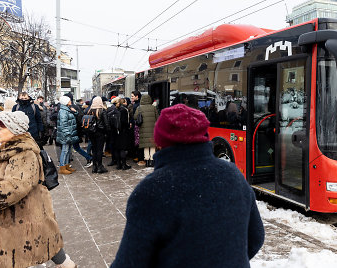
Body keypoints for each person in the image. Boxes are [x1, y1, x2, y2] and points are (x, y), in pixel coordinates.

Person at [111, 104, 264, 267]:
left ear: (160, 141)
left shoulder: (151, 191)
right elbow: (256, 237)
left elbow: (129, 263)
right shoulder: (234, 175)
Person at [0, 111, 76, 268]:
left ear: (14, 129)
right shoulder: (3, 147)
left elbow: (14, 187)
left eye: (0, 128)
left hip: (19, 218)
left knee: (27, 253)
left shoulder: (23, 153)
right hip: (13, 217)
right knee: (44, 244)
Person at [56, 95, 79, 175]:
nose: (71, 102)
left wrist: (74, 111)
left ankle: (66, 166)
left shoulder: (67, 109)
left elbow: (75, 116)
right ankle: (62, 167)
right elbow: (63, 124)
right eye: (69, 101)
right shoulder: (63, 111)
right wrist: (67, 134)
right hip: (66, 134)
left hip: (68, 133)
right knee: (65, 150)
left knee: (68, 150)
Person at [134, 94, 158, 167]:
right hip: (153, 129)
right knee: (152, 146)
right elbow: (157, 118)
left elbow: (135, 117)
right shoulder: (153, 108)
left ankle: (147, 161)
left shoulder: (139, 108)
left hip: (143, 129)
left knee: (146, 146)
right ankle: (152, 161)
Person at [88, 96, 110, 173]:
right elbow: (106, 124)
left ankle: (94, 166)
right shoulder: (102, 111)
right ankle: (100, 166)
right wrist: (107, 132)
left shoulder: (89, 111)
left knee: (94, 150)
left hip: (91, 133)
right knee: (99, 150)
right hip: (100, 133)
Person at [114, 98, 132, 170]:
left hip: (115, 131)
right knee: (122, 148)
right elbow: (124, 122)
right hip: (123, 131)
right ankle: (124, 165)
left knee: (117, 148)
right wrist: (128, 125)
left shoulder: (116, 109)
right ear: (124, 102)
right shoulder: (124, 110)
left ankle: (118, 165)